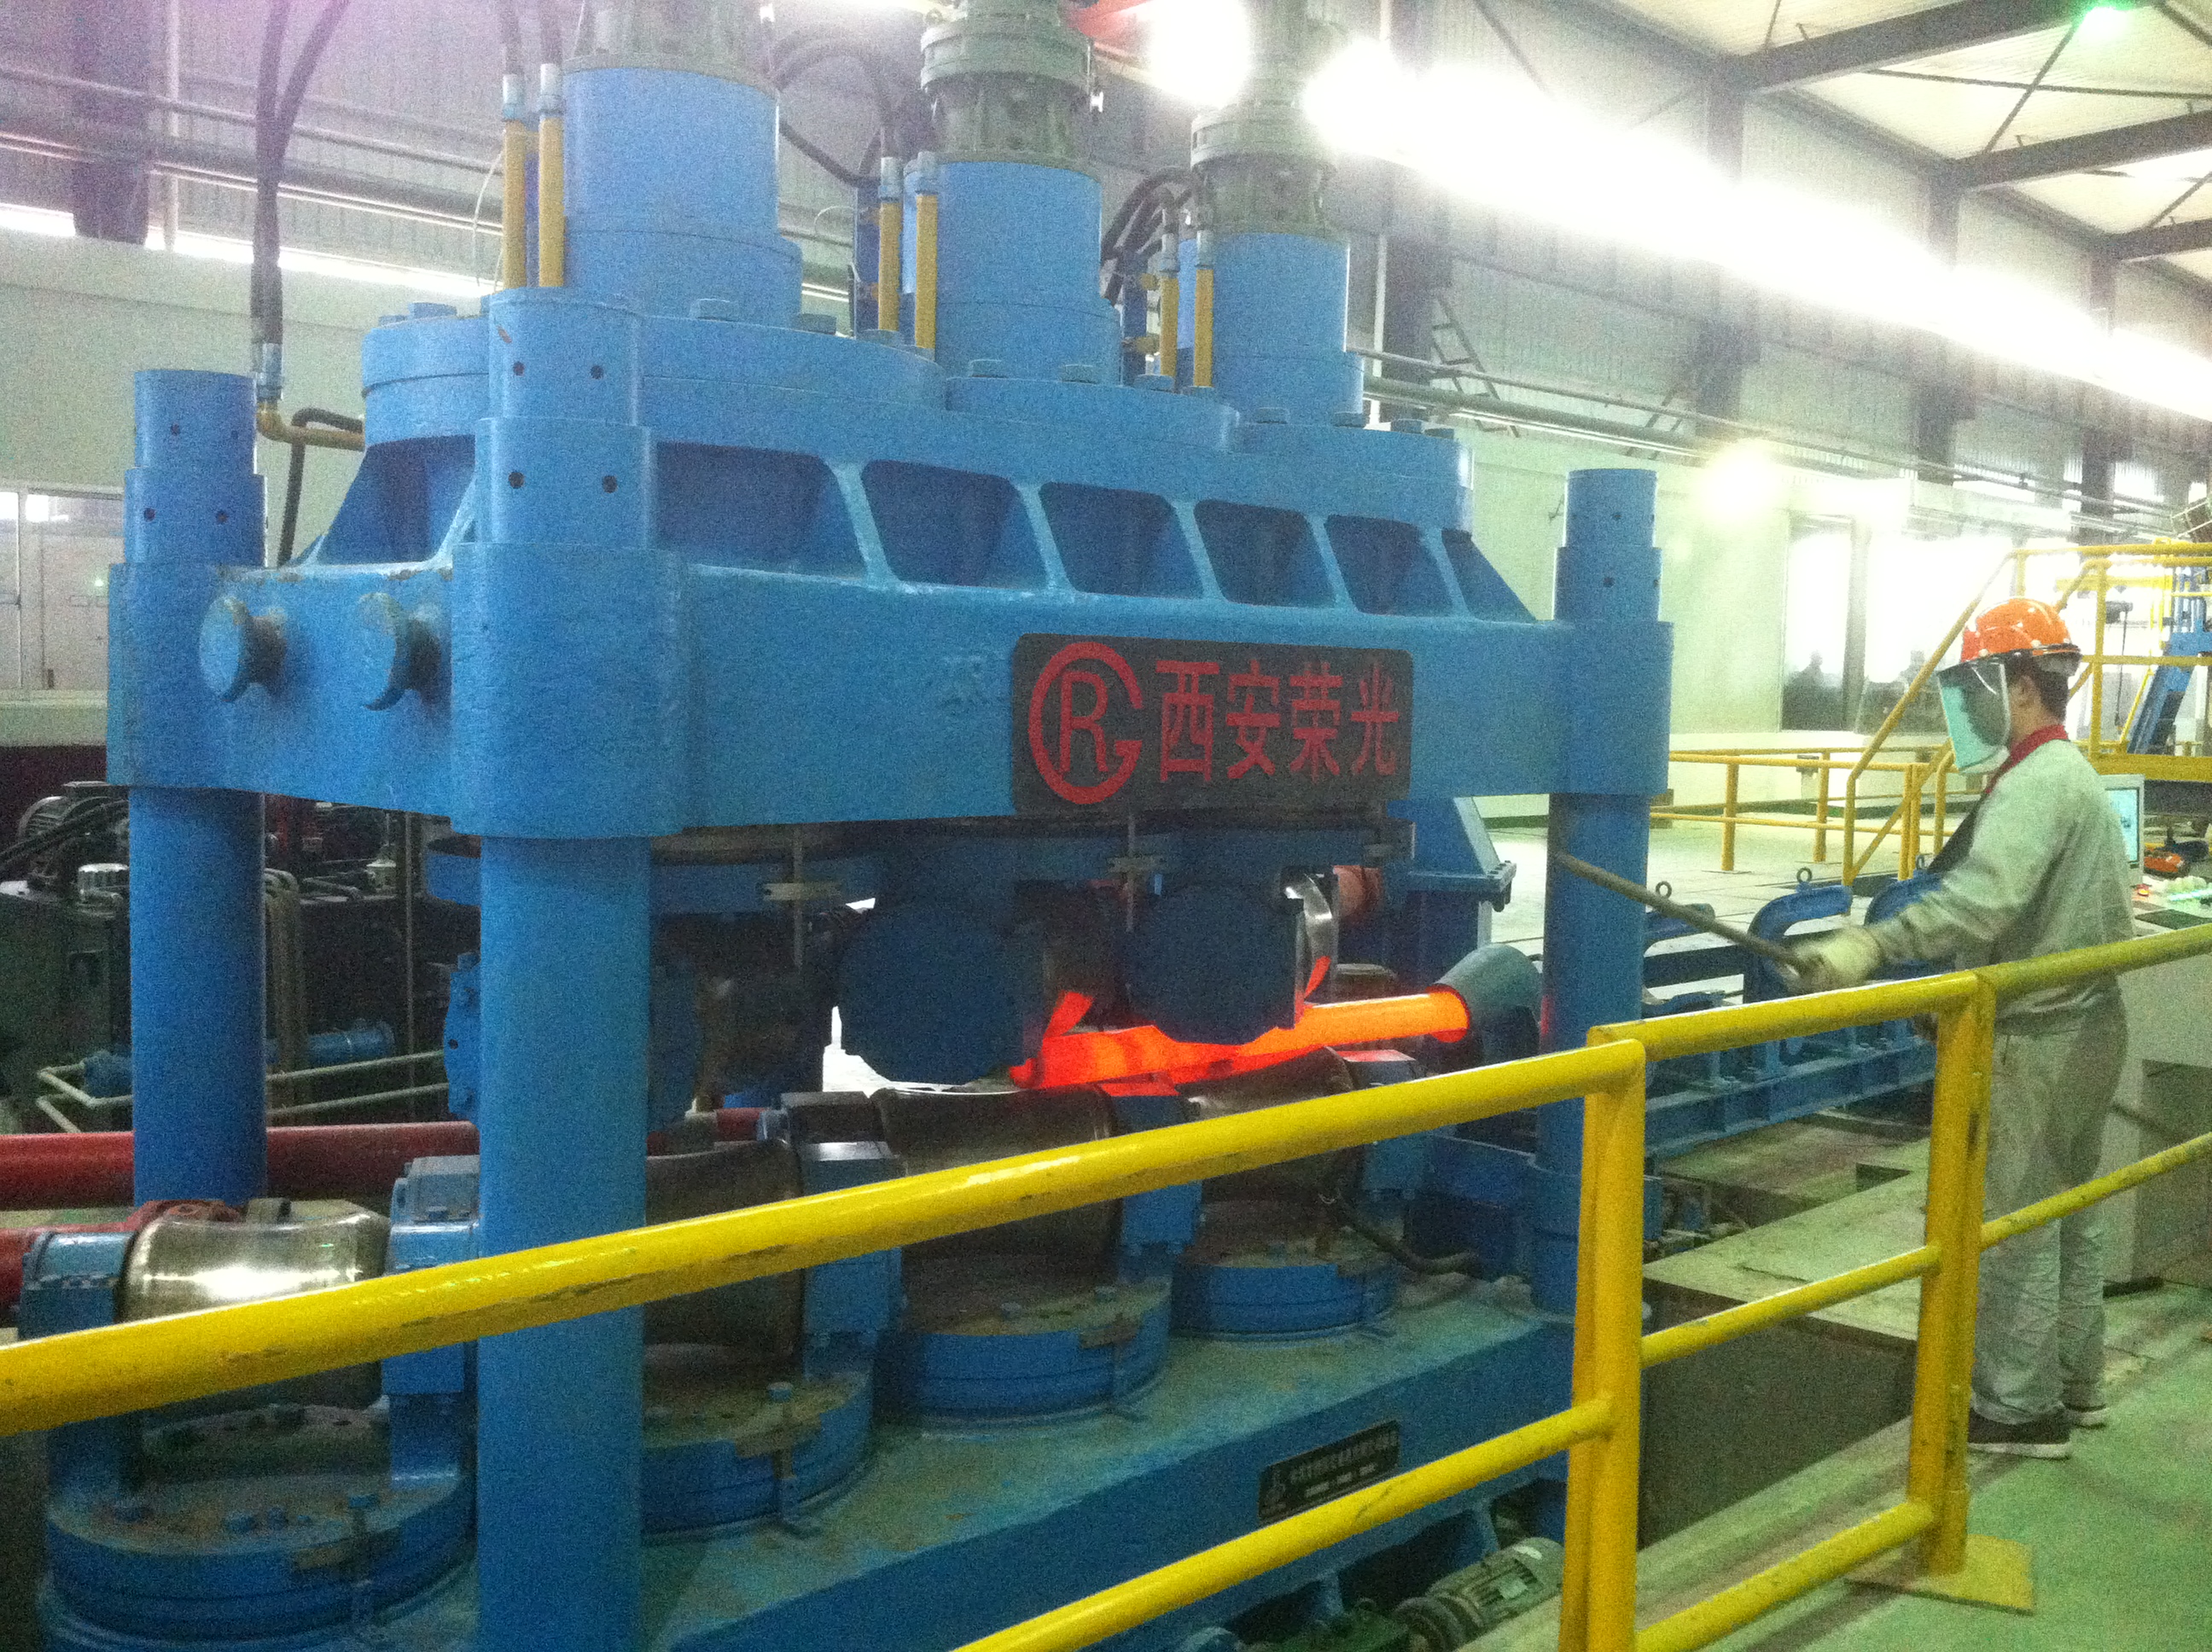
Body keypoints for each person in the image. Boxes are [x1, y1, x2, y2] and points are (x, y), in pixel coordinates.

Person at [1790, 597, 2134, 1458]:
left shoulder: (2034, 785)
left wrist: (1873, 944)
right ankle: (2078, 1384)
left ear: (2019, 686)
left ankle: (2018, 1412)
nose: (1967, 708)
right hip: (2088, 1025)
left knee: (2014, 1220)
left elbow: (1984, 901)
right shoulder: (2069, 774)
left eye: (1976, 686)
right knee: (2071, 1209)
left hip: (2040, 1038)